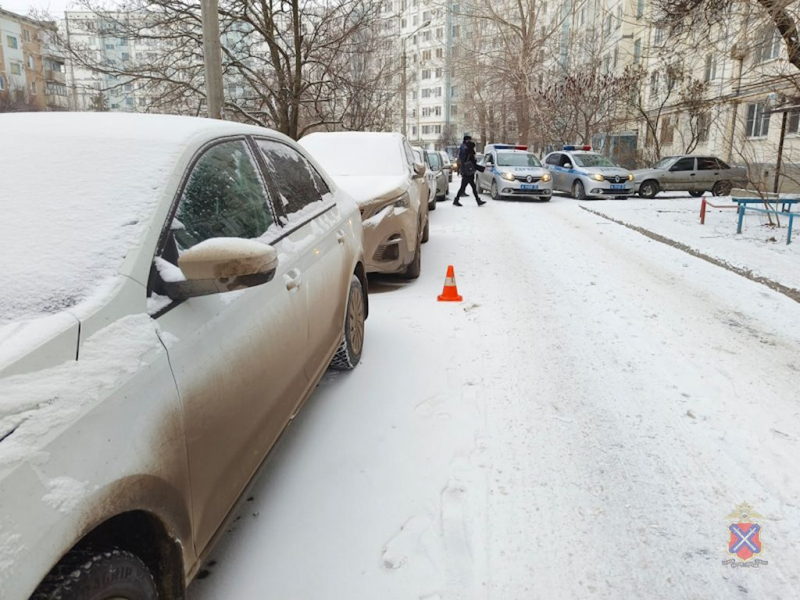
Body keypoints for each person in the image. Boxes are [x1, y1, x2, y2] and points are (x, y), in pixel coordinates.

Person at [453, 141, 485, 207]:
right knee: (466, 187)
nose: (474, 148)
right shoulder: (470, 154)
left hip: (467, 173)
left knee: (470, 187)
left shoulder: (466, 153)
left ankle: (477, 200)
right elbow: (473, 165)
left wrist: (462, 171)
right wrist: (482, 169)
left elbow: (463, 163)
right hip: (468, 174)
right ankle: (456, 200)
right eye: (474, 147)